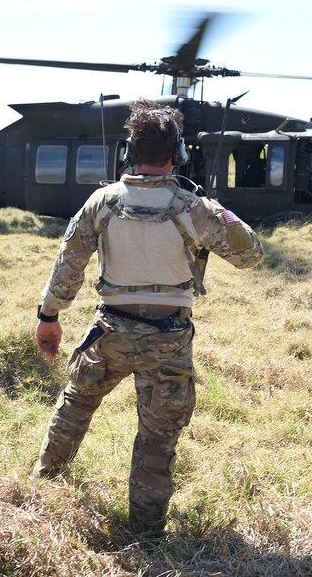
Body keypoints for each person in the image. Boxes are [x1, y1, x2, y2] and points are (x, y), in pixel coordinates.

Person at [32, 99, 264, 539]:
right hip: (168, 340)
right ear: (176, 155)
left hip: (109, 332)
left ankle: (42, 484)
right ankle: (145, 534)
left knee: (74, 408)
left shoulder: (102, 202)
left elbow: (68, 264)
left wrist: (49, 316)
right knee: (157, 438)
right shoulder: (192, 207)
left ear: (128, 153)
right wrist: (218, 211)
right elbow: (251, 254)